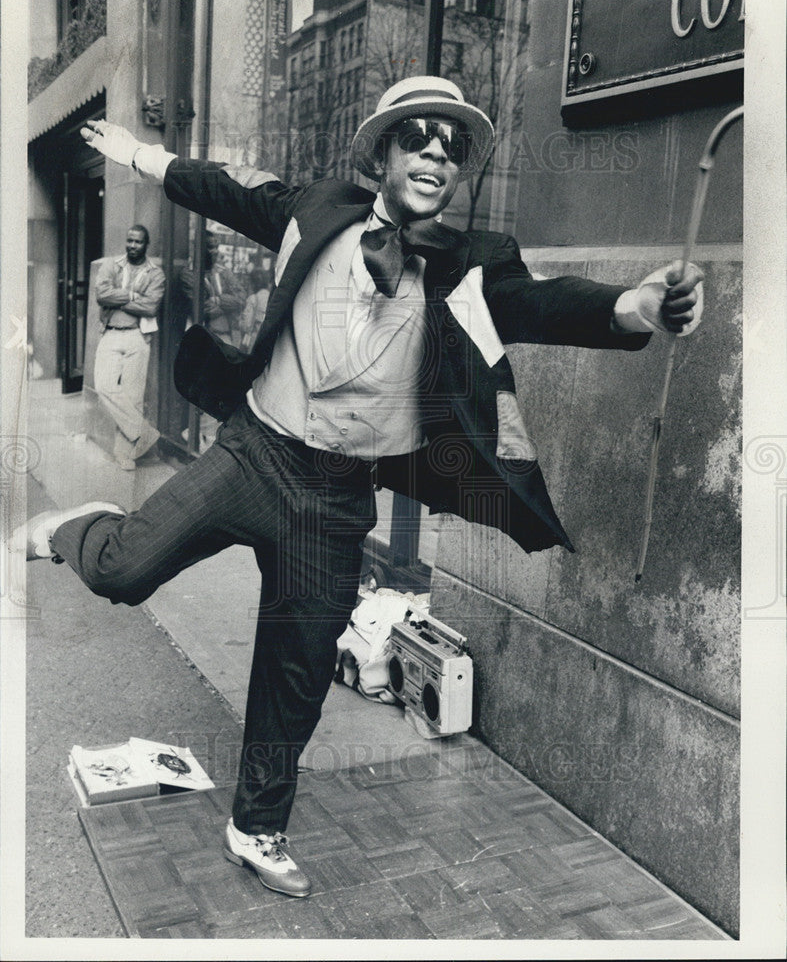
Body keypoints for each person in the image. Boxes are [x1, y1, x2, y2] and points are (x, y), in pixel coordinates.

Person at [17, 77, 703, 899]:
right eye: (416, 137)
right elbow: (226, 189)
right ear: (382, 153)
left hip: (337, 499)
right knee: (123, 570)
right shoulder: (317, 209)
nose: (434, 154)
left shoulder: (469, 267)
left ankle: (257, 825)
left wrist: (634, 307)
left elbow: (547, 303)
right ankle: (73, 525)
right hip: (255, 455)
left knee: (297, 670)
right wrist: (140, 154)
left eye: (451, 147)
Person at [93, 224, 164, 469]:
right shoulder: (112, 265)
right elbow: (102, 295)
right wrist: (134, 296)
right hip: (111, 333)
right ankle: (143, 433)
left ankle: (124, 455)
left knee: (133, 398)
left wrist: (120, 297)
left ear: (147, 245)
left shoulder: (156, 274)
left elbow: (151, 307)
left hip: (138, 336)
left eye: (138, 242)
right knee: (104, 386)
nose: (133, 245)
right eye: (130, 240)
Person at [176, 230, 246, 345]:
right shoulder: (188, 274)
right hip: (200, 336)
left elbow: (242, 299)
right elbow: (202, 308)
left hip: (225, 336)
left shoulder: (224, 271)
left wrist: (218, 300)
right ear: (198, 249)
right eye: (210, 247)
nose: (216, 251)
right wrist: (228, 306)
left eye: (216, 247)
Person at [239, 266, 272, 352]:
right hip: (269, 340)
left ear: (254, 283)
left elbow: (246, 325)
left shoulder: (253, 299)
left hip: (254, 341)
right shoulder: (272, 298)